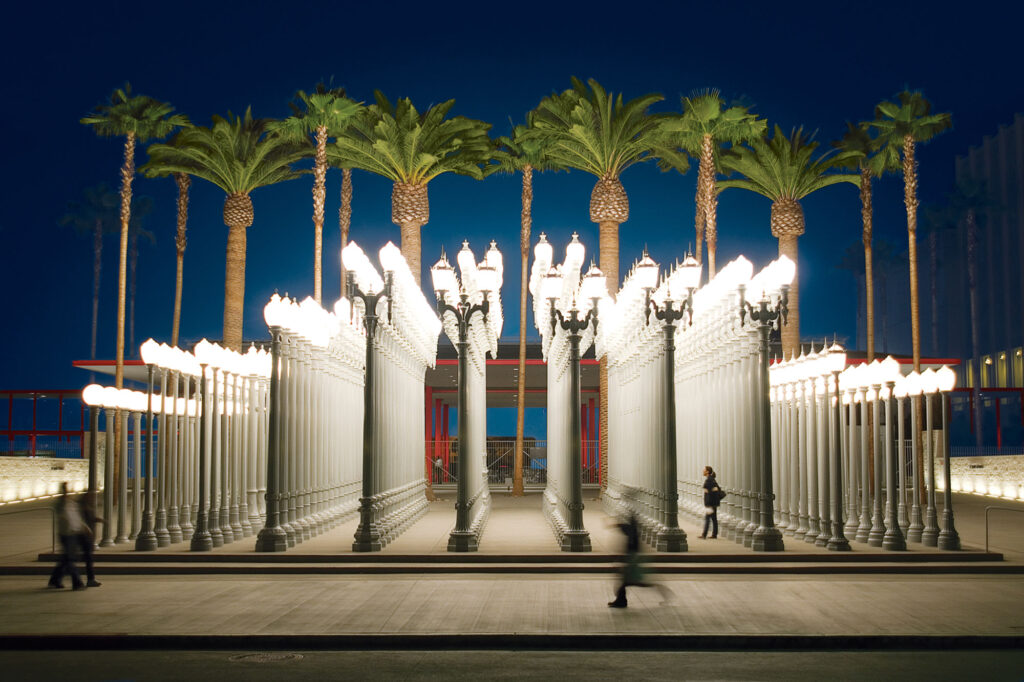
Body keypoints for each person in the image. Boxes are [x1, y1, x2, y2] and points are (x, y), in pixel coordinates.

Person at [607, 514, 673, 608]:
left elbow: (624, 529)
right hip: (633, 560)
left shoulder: (632, 533)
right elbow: (624, 528)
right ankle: (621, 601)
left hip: (632, 561)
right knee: (630, 583)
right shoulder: (633, 532)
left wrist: (614, 524)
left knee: (632, 583)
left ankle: (621, 601)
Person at [48, 483, 85, 590]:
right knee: (70, 559)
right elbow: (66, 515)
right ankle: (77, 583)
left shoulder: (71, 503)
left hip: (73, 533)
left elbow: (76, 517)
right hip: (66, 534)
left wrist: (83, 528)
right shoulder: (61, 504)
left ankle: (54, 580)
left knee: (66, 559)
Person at [701, 466, 722, 539]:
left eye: (704, 470)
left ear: (707, 471)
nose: (703, 471)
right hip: (714, 503)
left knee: (707, 518)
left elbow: (709, 493)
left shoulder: (708, 480)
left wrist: (707, 504)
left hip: (710, 503)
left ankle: (704, 534)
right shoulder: (712, 479)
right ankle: (714, 534)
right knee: (714, 519)